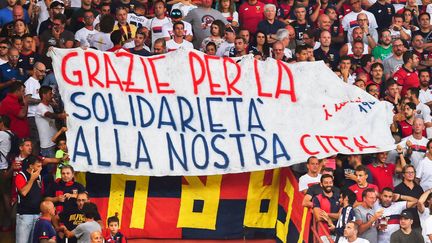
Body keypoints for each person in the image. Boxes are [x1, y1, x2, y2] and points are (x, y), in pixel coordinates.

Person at [15, 156, 44, 243]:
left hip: (37, 215)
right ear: (31, 166)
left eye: (41, 166)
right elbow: (23, 192)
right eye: (38, 166)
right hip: (25, 215)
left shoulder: (39, 177)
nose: (40, 168)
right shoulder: (21, 175)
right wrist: (32, 179)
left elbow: (41, 194)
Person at [35, 86, 67, 159]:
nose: (52, 95)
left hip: (54, 142)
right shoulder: (40, 107)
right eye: (50, 94)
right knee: (51, 168)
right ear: (44, 95)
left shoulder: (49, 106)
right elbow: (49, 115)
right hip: (47, 145)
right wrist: (60, 115)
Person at [25, 62, 46, 156]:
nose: (43, 74)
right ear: (34, 70)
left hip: (37, 116)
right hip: (32, 116)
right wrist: (42, 100)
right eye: (41, 71)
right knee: (35, 141)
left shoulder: (37, 83)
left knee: (39, 141)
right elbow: (27, 99)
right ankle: (33, 163)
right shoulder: (30, 82)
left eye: (44, 72)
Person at [312, 174, 340, 238]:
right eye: (326, 183)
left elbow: (340, 216)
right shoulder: (317, 198)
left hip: (339, 232)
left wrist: (326, 215)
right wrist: (335, 217)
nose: (328, 185)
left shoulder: (339, 197)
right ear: (321, 184)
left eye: (330, 182)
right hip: (324, 233)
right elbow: (319, 217)